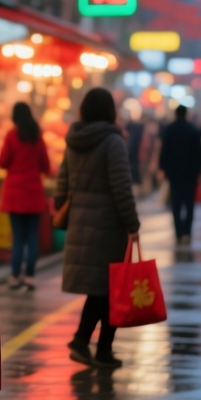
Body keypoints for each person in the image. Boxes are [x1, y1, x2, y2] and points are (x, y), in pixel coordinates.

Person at [56, 88, 141, 369]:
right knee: (110, 288)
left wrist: (64, 209)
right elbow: (121, 187)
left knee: (102, 289)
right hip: (108, 226)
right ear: (110, 112)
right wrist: (132, 224)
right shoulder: (112, 141)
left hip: (82, 222)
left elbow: (62, 182)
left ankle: (94, 346)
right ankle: (91, 344)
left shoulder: (74, 140)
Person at [0, 101, 52, 290]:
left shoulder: (11, 136)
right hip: (34, 194)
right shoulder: (38, 137)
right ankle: (29, 276)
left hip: (14, 194)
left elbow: (2, 162)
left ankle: (14, 276)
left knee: (18, 237)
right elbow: (46, 165)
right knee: (32, 237)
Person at [158, 105, 201, 244]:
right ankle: (187, 232)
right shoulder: (193, 130)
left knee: (176, 204)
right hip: (190, 175)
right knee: (189, 204)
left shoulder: (169, 129)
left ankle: (178, 232)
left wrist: (164, 168)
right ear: (186, 114)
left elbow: (164, 151)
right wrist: (197, 170)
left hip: (174, 174)